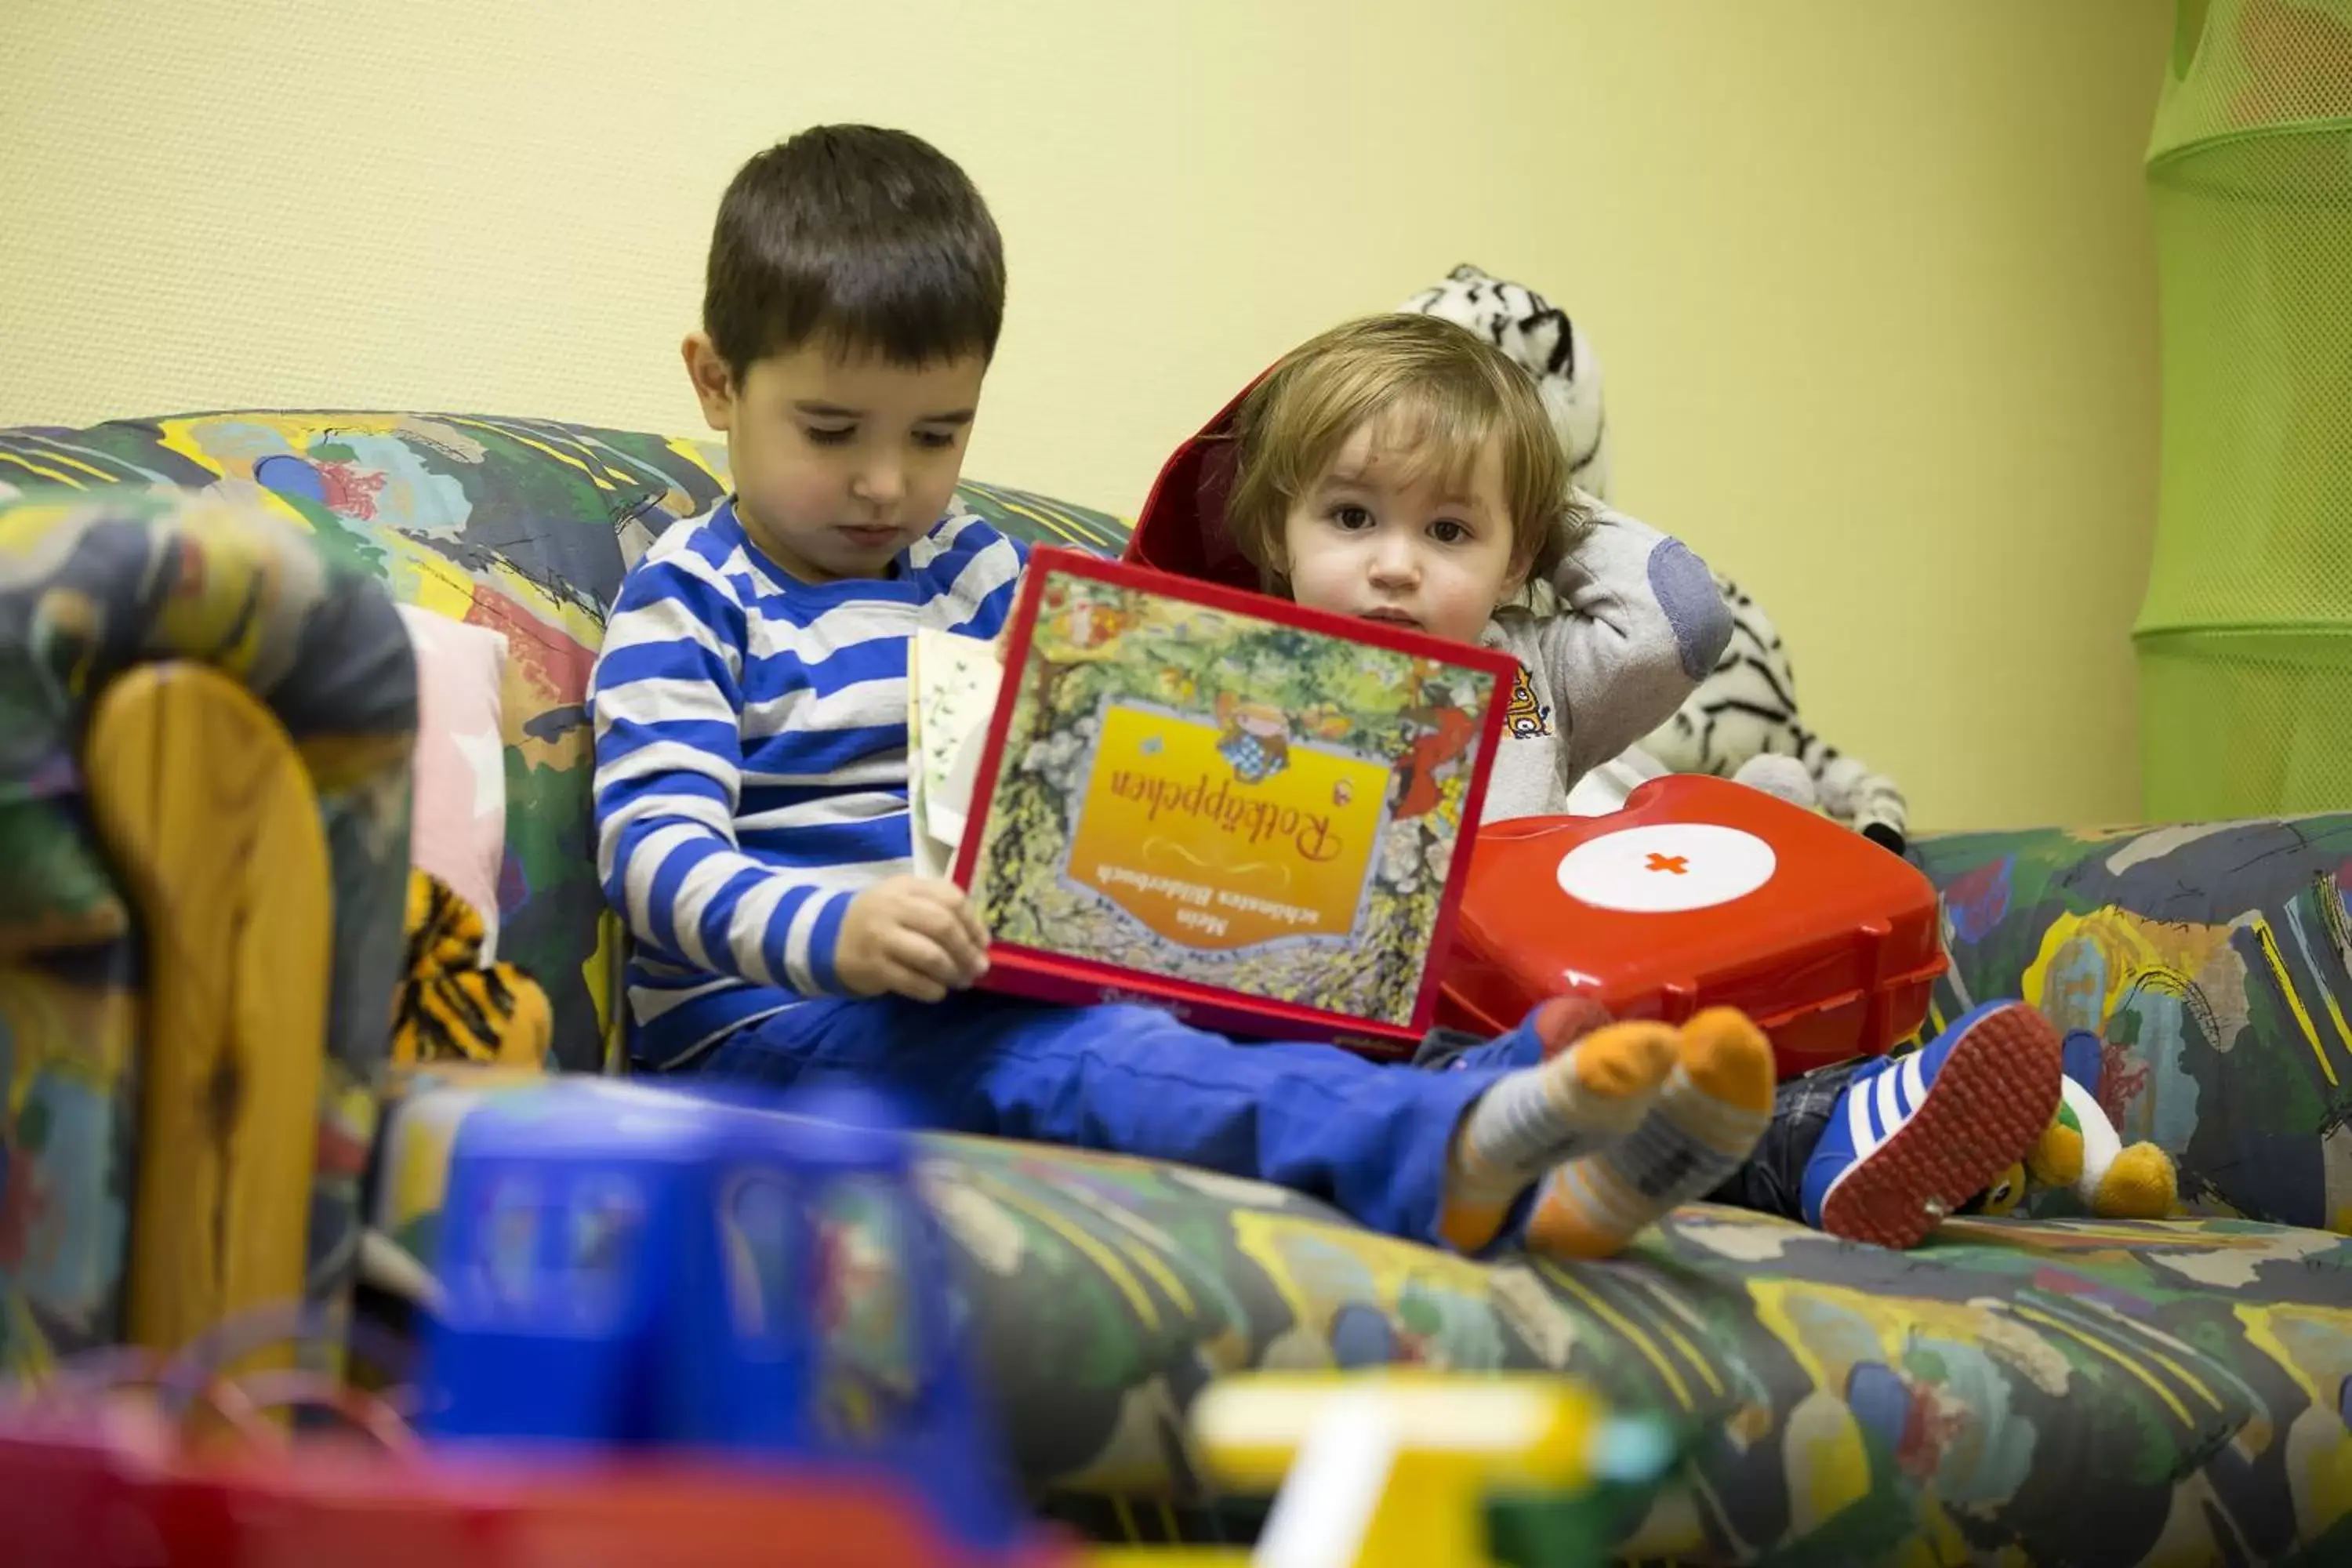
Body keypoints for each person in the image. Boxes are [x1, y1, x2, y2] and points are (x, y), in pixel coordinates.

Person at [589, 125, 1779, 1263]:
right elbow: (652, 859)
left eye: (939, 434)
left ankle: (1547, 1102)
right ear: (715, 383)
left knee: (1235, 983)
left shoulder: (981, 567)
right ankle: (1452, 1150)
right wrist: (840, 933)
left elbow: (1062, 794)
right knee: (1100, 1060)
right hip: (768, 1036)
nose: (887, 481)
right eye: (832, 430)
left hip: (972, 992)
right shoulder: (691, 598)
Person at [1131, 311, 2064, 1252]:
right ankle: (1811, 1135)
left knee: (1655, 1047)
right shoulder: (1245, 675)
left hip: (1561, 1002)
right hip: (1381, 1030)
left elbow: (1684, 619)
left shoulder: (1535, 671)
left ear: (1518, 558)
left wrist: (1537, 503)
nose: (1396, 564)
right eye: (1351, 516)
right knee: (1510, 1074)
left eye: (1448, 529)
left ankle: (1846, 1115)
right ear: (1278, 532)